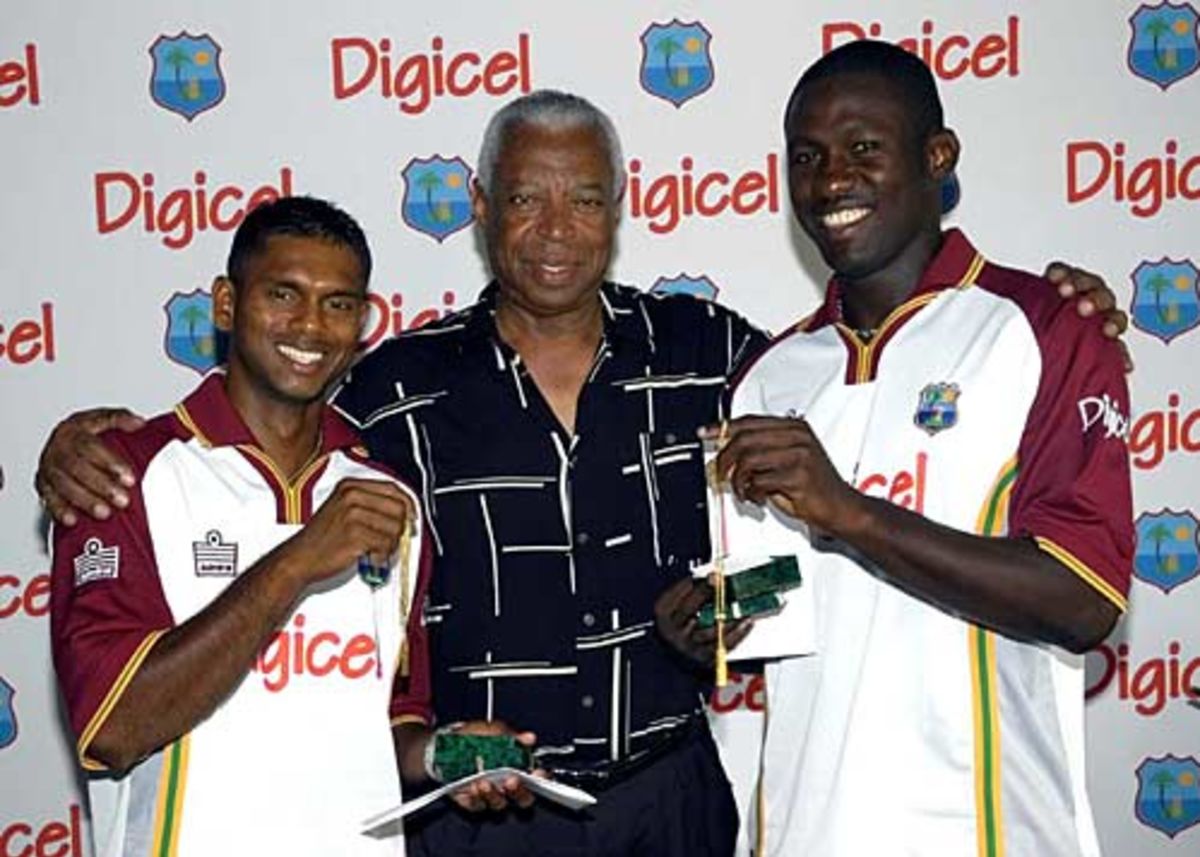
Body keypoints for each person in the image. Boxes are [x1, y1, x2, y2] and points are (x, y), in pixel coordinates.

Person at [37, 91, 1128, 857]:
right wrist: (84, 446)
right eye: (524, 199)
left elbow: (860, 367)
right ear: (479, 208)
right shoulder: (393, 386)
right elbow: (258, 422)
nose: (554, 231)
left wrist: (1053, 301)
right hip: (472, 812)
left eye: (584, 200)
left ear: (619, 208)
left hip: (675, 797)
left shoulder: (720, 355)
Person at [663, 41, 1132, 856]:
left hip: (986, 834)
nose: (830, 179)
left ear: (938, 157)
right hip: (804, 832)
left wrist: (849, 513)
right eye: (806, 157)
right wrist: (712, 625)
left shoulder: (1044, 328)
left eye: (863, 148)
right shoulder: (770, 377)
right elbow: (790, 607)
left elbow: (1084, 598)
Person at [49, 196, 426, 857]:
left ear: (363, 320)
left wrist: (451, 755)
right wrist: (294, 561)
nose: (310, 326)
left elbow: (389, 721)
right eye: (283, 293)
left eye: (339, 303)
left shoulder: (387, 491)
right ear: (225, 303)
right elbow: (113, 726)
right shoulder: (122, 475)